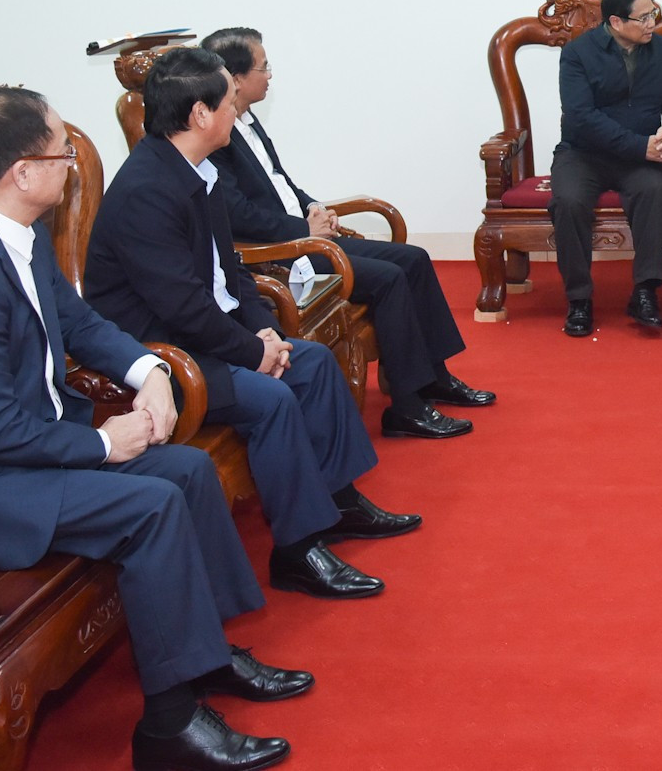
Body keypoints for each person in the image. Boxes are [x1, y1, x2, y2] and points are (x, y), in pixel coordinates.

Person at [0, 87, 302, 771]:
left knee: (187, 469)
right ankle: (168, 728)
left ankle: (208, 655)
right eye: (61, 152)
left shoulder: (14, 230)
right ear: (22, 171)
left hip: (22, 446)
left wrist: (146, 370)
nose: (71, 163)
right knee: (152, 502)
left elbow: (76, 323)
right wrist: (107, 441)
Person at [85, 48, 419, 602]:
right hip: (167, 358)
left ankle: (339, 501)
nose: (237, 108)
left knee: (307, 360)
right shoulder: (146, 191)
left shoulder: (196, 170)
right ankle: (297, 549)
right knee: (271, 397)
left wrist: (264, 331)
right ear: (199, 114)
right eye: (228, 100)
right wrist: (249, 352)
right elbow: (181, 307)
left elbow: (230, 270)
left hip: (208, 335)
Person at [198, 27, 493, 442]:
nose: (270, 76)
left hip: (303, 233)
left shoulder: (247, 119)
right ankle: (406, 407)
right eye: (264, 67)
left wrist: (315, 206)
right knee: (388, 279)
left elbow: (279, 182)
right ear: (235, 77)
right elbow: (237, 215)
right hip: (280, 250)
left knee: (413, 258)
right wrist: (305, 229)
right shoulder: (215, 134)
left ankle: (433, 377)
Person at [551, 0, 662, 337]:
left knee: (652, 190)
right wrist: (639, 146)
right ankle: (579, 300)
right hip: (583, 154)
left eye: (653, 14)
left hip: (639, 159)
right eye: (643, 17)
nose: (651, 23)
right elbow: (581, 117)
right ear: (616, 21)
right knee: (568, 202)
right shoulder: (577, 54)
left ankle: (645, 292)